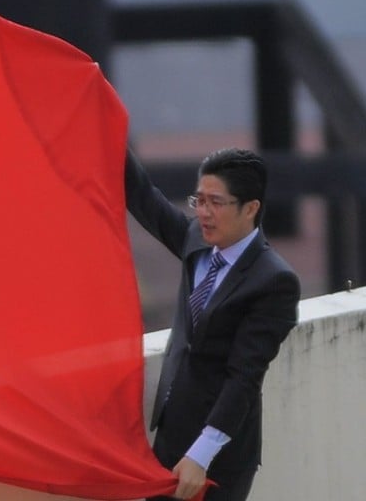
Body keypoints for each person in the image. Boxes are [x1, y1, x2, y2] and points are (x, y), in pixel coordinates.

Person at [124, 148, 300, 501]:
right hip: (171, 437)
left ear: (250, 208)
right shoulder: (197, 241)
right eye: (199, 200)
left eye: (215, 202)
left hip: (218, 456)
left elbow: (244, 377)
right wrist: (106, 131)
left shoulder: (274, 281)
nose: (203, 212)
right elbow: (145, 199)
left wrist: (201, 456)